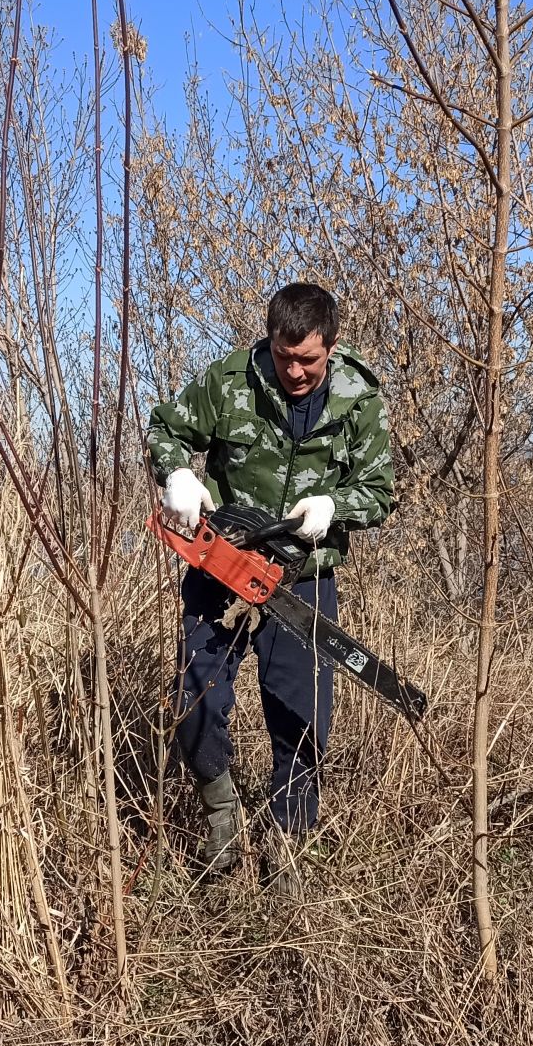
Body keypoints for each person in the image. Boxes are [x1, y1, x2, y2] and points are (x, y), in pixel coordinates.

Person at [145, 282, 397, 900]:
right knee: (196, 696)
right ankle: (223, 829)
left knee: (302, 716)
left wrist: (333, 505)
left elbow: (381, 492)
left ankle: (286, 849)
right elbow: (165, 430)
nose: (294, 371)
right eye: (284, 357)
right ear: (270, 341)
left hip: (302, 579)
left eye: (308, 360)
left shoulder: (357, 398)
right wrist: (177, 473)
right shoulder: (230, 380)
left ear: (330, 349)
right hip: (222, 564)